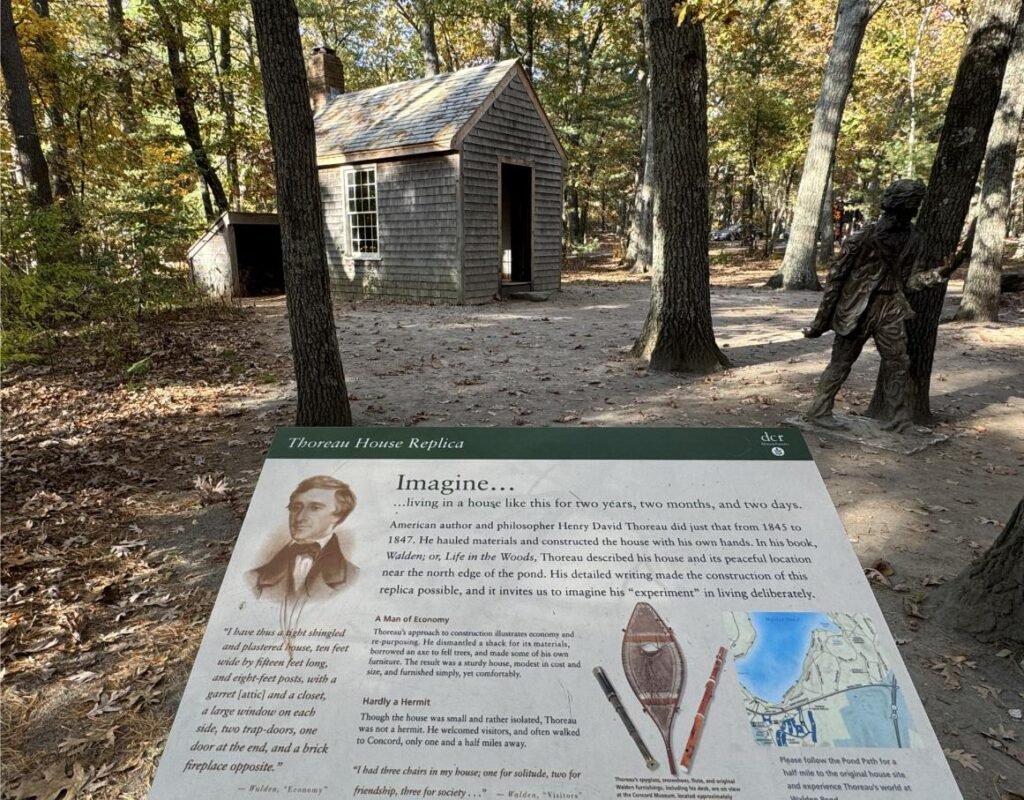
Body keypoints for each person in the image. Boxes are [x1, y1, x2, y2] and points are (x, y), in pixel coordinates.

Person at [803, 179, 951, 431]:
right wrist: (820, 321)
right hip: (856, 309)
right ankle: (819, 410)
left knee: (899, 362)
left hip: (891, 307)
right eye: (908, 208)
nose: (912, 214)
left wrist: (938, 274)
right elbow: (835, 281)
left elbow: (910, 282)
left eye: (914, 208)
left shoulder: (916, 239)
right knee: (841, 362)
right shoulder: (861, 239)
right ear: (896, 207)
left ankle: (898, 418)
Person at [251, 476, 357, 638]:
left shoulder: (354, 578)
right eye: (296, 507)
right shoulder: (252, 578)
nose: (299, 517)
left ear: (338, 516)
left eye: (315, 508)